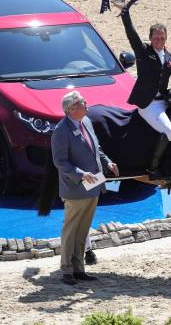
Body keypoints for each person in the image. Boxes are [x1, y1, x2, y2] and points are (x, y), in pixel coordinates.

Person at [52, 91, 119, 285]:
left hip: (94, 184)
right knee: (71, 230)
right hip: (75, 187)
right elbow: (60, 162)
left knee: (82, 230)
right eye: (82, 103)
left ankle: (79, 269)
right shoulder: (61, 131)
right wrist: (81, 174)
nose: (86, 104)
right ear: (72, 109)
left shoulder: (86, 122)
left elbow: (96, 148)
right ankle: (66, 270)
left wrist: (107, 162)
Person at [120, 0, 171, 179]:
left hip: (165, 101)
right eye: (156, 37)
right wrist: (125, 13)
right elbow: (131, 33)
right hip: (147, 104)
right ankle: (153, 167)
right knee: (169, 131)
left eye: (162, 37)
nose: (159, 40)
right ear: (151, 38)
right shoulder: (143, 51)